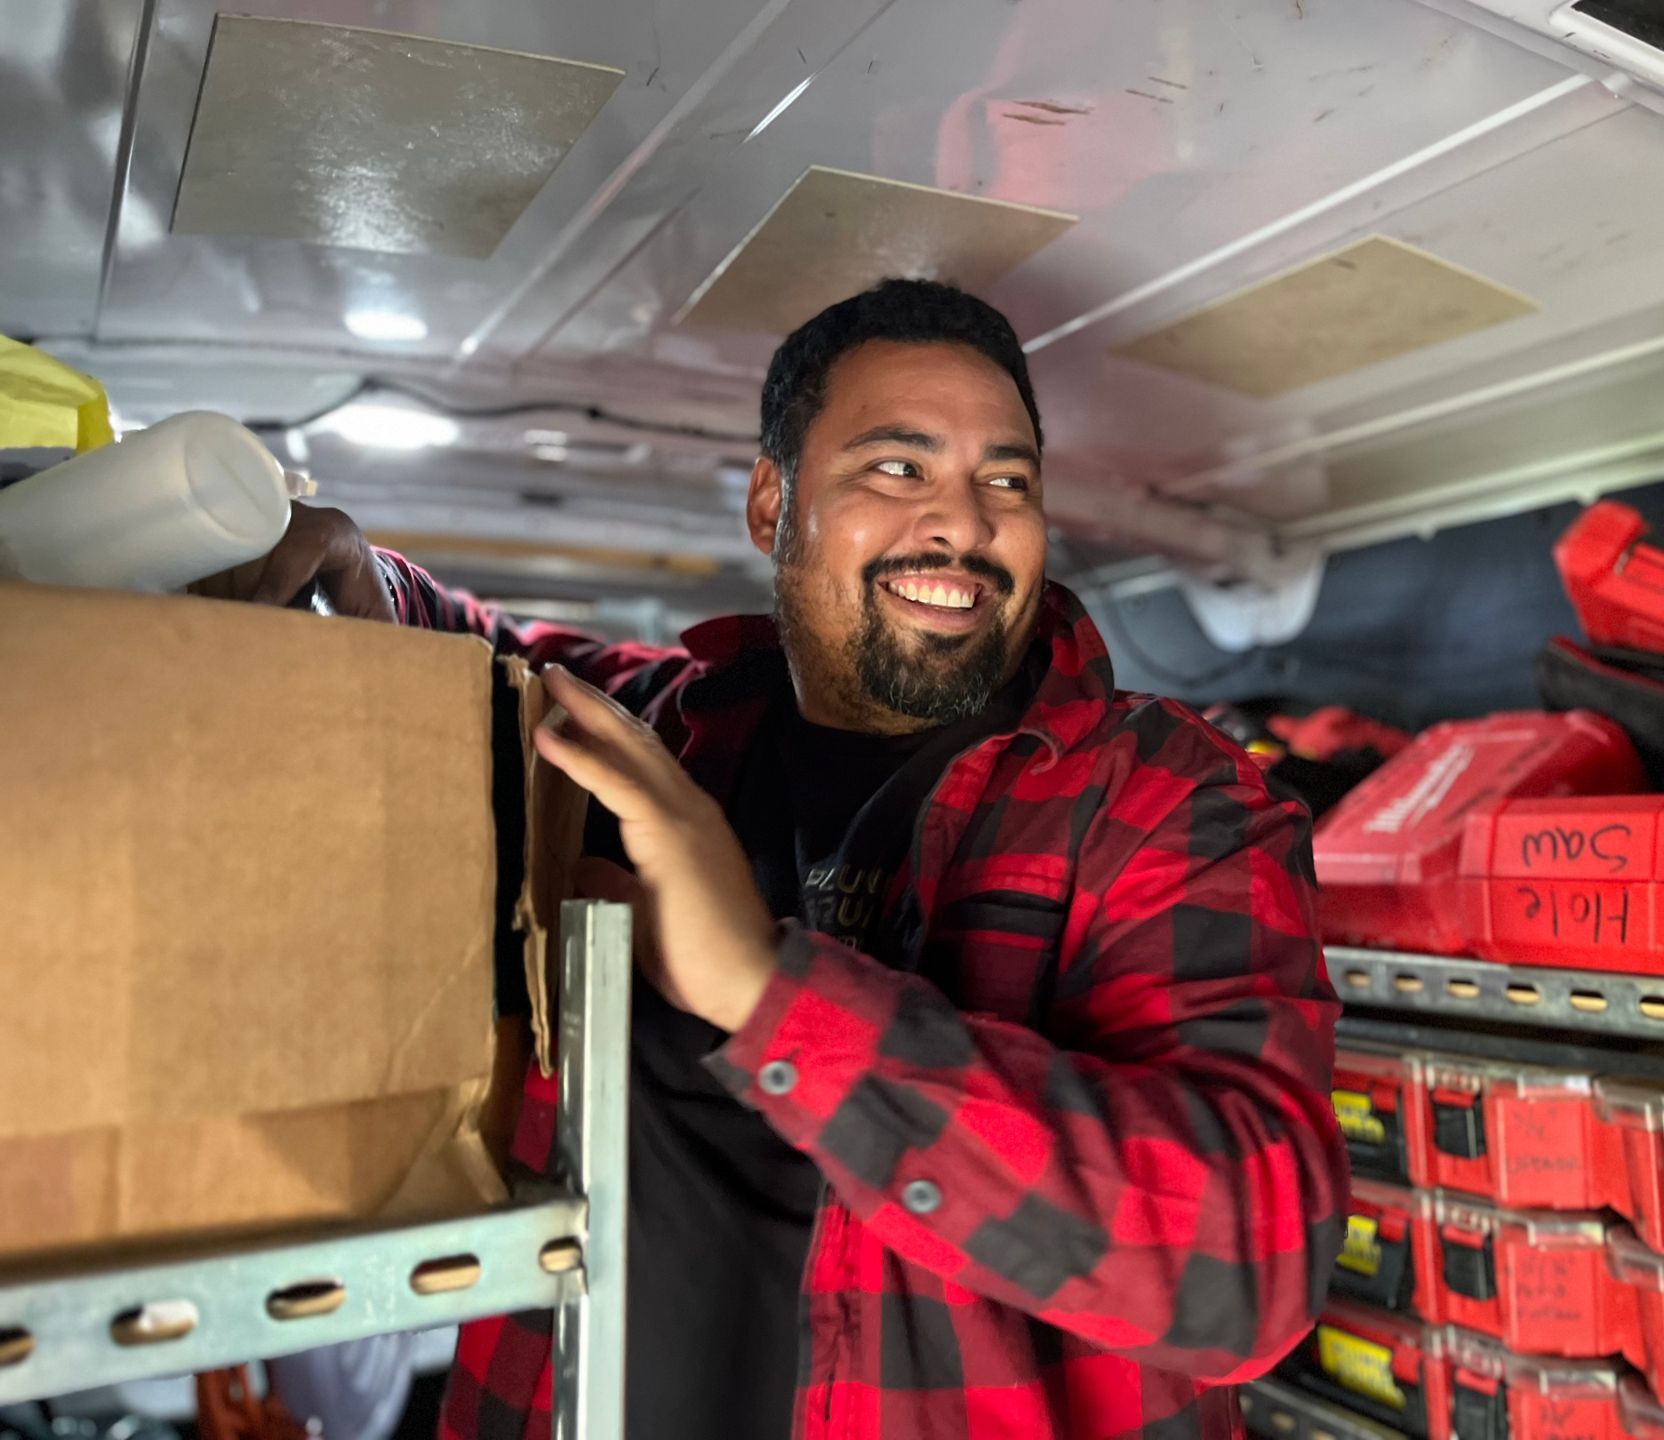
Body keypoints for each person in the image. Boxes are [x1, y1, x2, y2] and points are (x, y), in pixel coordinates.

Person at [247, 279, 1347, 1440]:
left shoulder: (1167, 800)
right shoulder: (671, 732)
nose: (964, 524)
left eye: (1006, 481)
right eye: (897, 468)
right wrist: (362, 575)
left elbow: (1248, 1261)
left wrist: (766, 994)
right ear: (774, 503)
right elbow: (502, 659)